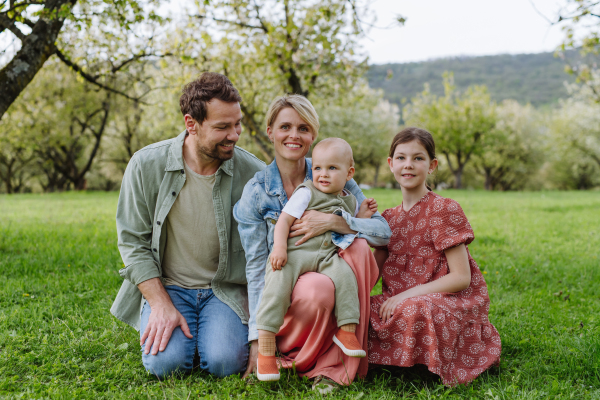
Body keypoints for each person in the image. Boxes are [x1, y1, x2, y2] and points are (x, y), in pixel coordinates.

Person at [110, 72, 265, 379]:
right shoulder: (146, 164)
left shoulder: (253, 173)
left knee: (224, 363)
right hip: (168, 286)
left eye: (237, 124)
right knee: (166, 366)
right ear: (191, 124)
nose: (234, 134)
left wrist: (261, 334)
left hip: (223, 290)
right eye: (222, 127)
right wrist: (159, 304)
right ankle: (184, 335)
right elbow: (132, 242)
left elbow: (268, 254)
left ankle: (207, 337)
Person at [233, 94, 391, 392]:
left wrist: (336, 221)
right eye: (285, 127)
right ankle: (284, 351)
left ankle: (340, 359)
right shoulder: (257, 192)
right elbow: (255, 267)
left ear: (313, 135)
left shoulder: (332, 169)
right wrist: (255, 339)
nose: (294, 135)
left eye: (303, 128)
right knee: (316, 287)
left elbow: (382, 233)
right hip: (285, 281)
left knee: (356, 249)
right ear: (270, 131)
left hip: (327, 268)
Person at [368, 127, 501, 386]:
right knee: (359, 309)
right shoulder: (387, 219)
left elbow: (461, 278)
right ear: (390, 164)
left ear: (432, 165)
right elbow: (371, 274)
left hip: (445, 300)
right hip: (395, 300)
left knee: (415, 308)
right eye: (401, 158)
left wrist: (405, 295)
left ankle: (425, 361)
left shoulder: (444, 209)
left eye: (418, 158)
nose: (409, 165)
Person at [255, 138, 377, 381]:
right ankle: (266, 350)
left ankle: (347, 329)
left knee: (346, 278)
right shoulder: (306, 192)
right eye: (318, 168)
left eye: (332, 168)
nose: (323, 174)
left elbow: (352, 227)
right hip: (296, 253)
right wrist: (279, 248)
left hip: (327, 255)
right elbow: (284, 222)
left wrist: (361, 215)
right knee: (277, 285)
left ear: (349, 173)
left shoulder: (349, 199)